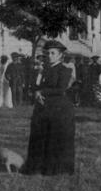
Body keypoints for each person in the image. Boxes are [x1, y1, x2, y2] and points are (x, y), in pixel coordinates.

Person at [22, 40, 75, 175]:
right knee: (39, 136)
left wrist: (41, 92)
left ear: (60, 55)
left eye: (53, 53)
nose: (49, 56)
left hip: (58, 109)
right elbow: (35, 86)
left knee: (54, 138)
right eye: (48, 53)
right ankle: (37, 167)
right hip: (42, 107)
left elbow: (60, 89)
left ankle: (54, 169)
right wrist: (36, 91)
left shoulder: (65, 70)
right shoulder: (43, 70)